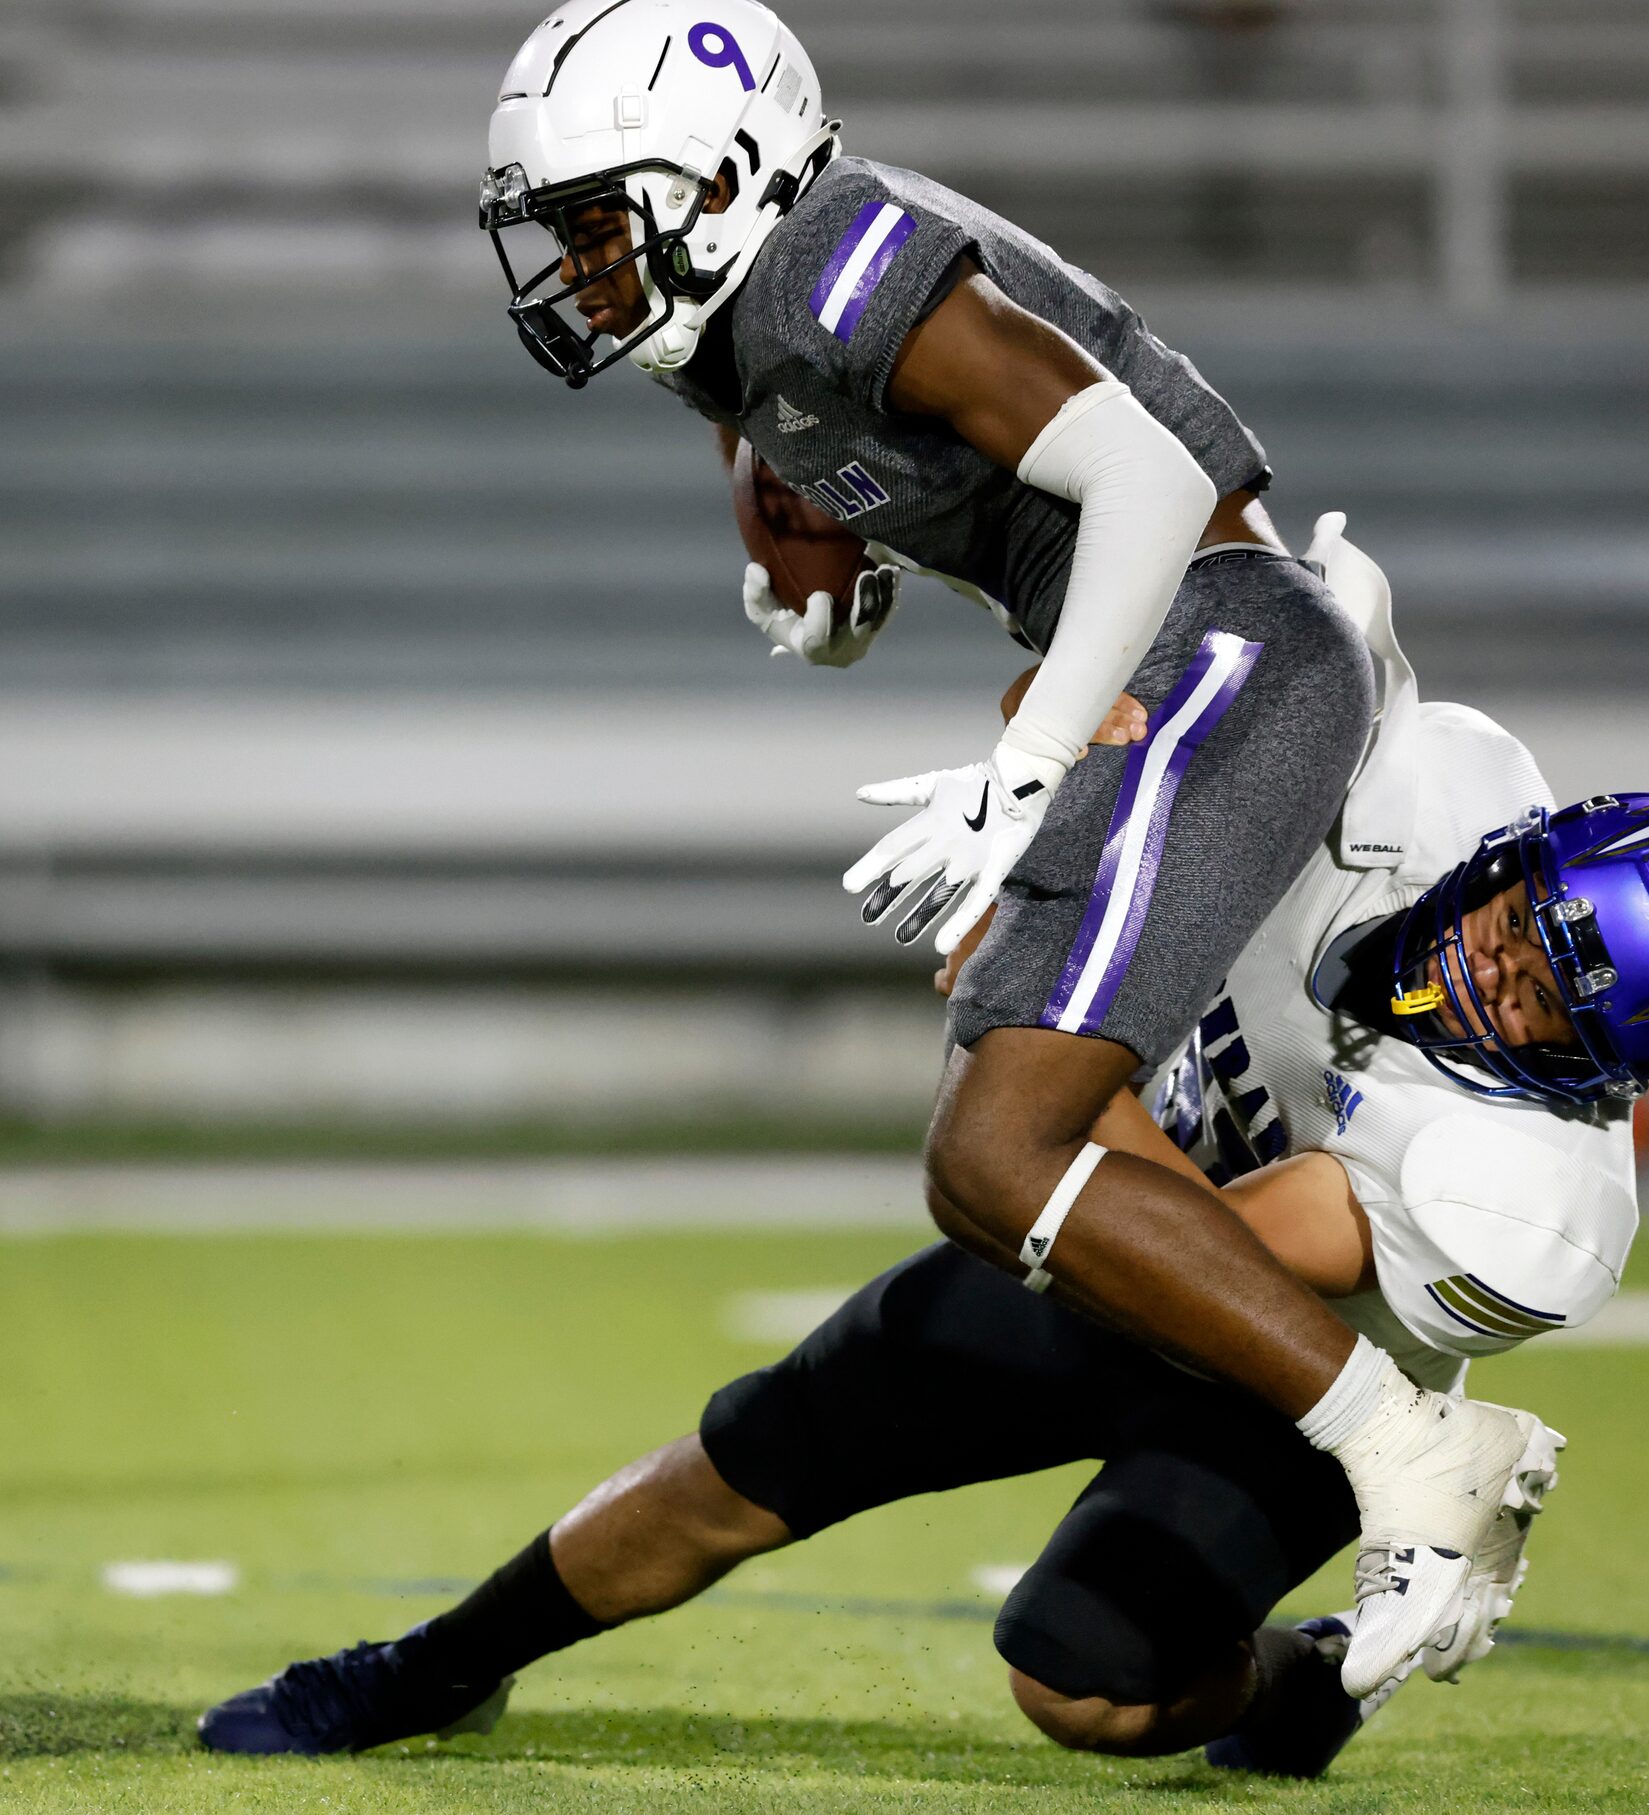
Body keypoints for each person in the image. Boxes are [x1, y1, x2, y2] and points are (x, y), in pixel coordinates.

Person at [196, 524, 1649, 1774]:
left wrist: (1053, 996)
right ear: (1514, 856)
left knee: (1077, 1679)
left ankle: (1292, 1679)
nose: (1491, 974)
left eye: (1543, 1002)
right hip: (1113, 1202)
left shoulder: (1511, 1191)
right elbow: (1137, 700)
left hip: (1279, 1347)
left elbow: (1197, 1232)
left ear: (1616, 1072)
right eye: (1522, 929)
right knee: (754, 1453)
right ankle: (435, 1666)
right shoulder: (1413, 787)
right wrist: (1064, 796)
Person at [474, 0, 1552, 1685]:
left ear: (720, 179)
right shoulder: (756, 323)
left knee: (997, 1150)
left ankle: (1408, 1451)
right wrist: (844, 570)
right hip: (1196, 652)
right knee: (1006, 1158)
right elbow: (876, 458)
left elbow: (1134, 474)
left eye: (601, 226)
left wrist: (1033, 757)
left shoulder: (837, 265)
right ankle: (1354, 1434)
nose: (578, 275)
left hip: (1229, 646)